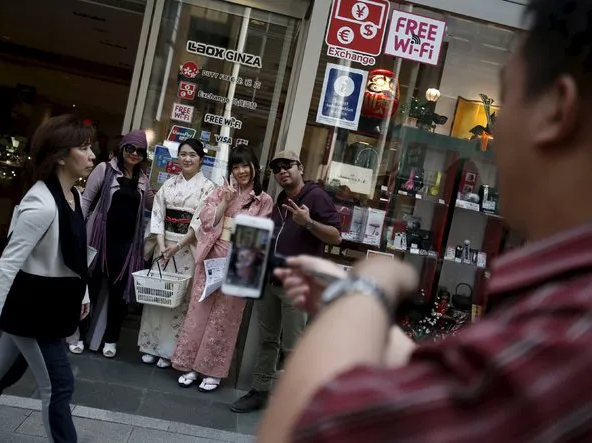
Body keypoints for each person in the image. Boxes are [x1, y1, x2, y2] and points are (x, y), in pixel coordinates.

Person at [259, 0, 592, 441]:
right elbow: (452, 394)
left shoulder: (566, 330)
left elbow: (312, 426)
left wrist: (369, 285)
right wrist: (354, 303)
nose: (495, 128)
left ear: (555, 108)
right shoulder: (556, 313)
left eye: (507, 99)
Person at [0, 115, 95, 443]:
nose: (92, 156)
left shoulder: (72, 196)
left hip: (47, 307)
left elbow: (74, 252)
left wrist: (83, 293)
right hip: (34, 313)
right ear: (60, 155)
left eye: (92, 148)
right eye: (84, 148)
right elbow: (7, 265)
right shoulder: (41, 203)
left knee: (0, 374)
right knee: (59, 385)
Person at [231, 151, 342, 413]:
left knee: (294, 346)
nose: (282, 171)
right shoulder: (281, 199)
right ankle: (260, 391)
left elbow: (336, 237)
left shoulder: (316, 196)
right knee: (268, 340)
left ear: (300, 167)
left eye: (287, 166)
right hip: (272, 279)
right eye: (276, 168)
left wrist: (309, 222)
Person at [172, 145, 273, 393]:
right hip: (212, 256)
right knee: (200, 312)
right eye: (236, 166)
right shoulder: (222, 191)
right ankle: (192, 366)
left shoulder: (263, 199)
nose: (240, 171)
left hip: (239, 260)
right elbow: (206, 222)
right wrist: (225, 201)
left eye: (245, 165)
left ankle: (212, 370)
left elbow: (257, 236)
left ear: (254, 167)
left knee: (224, 319)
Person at [68, 130, 153, 358]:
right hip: (99, 239)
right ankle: (76, 336)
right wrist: (78, 232)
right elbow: (86, 201)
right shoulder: (104, 169)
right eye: (131, 148)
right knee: (90, 290)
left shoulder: (143, 179)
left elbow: (152, 207)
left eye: (140, 151)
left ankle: (111, 339)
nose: (135, 154)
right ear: (122, 147)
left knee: (119, 296)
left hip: (127, 246)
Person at [138, 138, 215, 368]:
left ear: (201, 160)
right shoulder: (169, 185)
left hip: (186, 248)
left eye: (192, 155)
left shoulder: (207, 188)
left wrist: (179, 246)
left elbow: (200, 221)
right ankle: (150, 345)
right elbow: (158, 216)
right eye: (183, 154)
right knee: (157, 294)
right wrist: (161, 245)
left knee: (179, 299)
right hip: (164, 247)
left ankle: (169, 350)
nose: (187, 159)